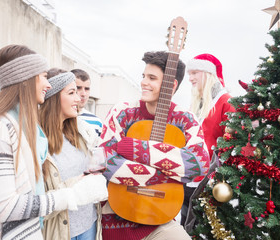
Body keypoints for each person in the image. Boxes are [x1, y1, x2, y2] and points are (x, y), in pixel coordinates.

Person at [0, 45, 106, 240]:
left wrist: (78, 185)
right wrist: (71, 196)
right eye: (42, 76)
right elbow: (5, 208)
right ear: (26, 80)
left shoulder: (22, 127)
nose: (48, 85)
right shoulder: (1, 128)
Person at [98, 51, 210, 240]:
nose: (143, 82)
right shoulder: (122, 111)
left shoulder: (185, 119)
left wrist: (133, 148)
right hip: (116, 217)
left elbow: (199, 163)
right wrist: (168, 174)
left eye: (152, 78)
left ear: (170, 85)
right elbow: (105, 161)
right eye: (143, 76)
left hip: (160, 219)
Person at [39, 68, 108, 240]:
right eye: (72, 92)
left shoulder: (83, 131)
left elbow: (93, 170)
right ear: (52, 97)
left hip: (89, 224)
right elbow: (35, 205)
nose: (79, 98)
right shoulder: (36, 140)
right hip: (59, 231)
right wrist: (78, 187)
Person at [180, 53, 236, 227]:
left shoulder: (226, 102)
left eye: (195, 72)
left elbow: (233, 145)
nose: (190, 78)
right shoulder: (198, 104)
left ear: (208, 74)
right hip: (189, 180)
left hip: (210, 185)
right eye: (189, 74)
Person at [71, 69, 103, 136]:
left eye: (87, 89)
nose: (83, 94)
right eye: (78, 88)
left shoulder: (97, 122)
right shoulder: (57, 118)